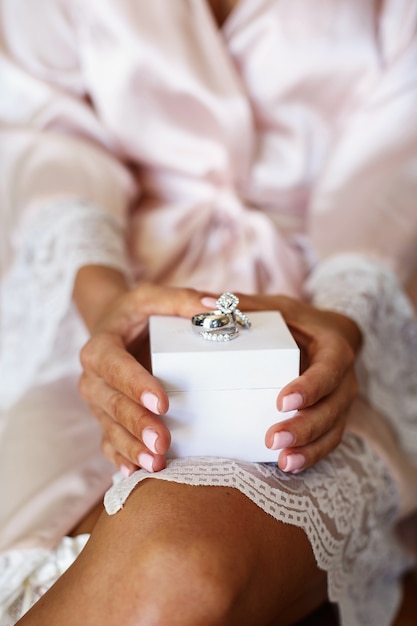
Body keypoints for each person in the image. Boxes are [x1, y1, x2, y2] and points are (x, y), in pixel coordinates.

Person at [0, 0, 416, 624]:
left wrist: (348, 319)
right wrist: (105, 304)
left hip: (326, 323)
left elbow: (399, 162)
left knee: (178, 570)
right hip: (96, 304)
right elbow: (39, 125)